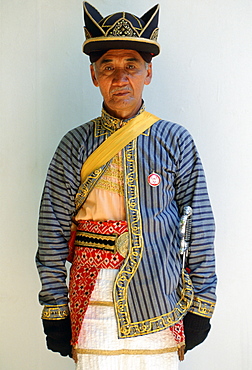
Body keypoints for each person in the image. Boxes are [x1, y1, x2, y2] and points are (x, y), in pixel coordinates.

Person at [36, 2, 217, 369]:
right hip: (93, 299)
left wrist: (203, 302)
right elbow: (51, 230)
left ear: (147, 73)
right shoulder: (74, 145)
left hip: (161, 296)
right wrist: (55, 305)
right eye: (108, 67)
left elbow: (198, 222)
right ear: (94, 75)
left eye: (131, 67)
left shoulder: (175, 140)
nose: (120, 79)